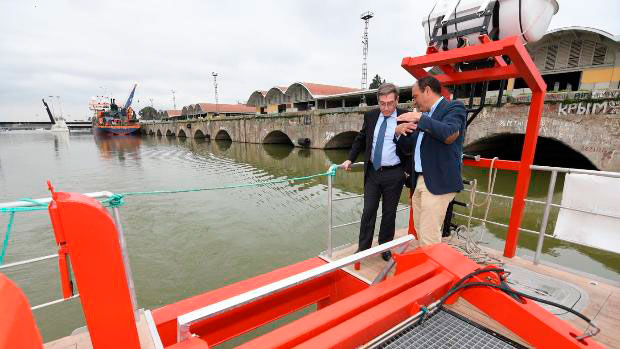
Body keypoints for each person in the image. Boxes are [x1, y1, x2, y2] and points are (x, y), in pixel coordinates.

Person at [341, 83, 416, 261]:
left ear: (397, 100)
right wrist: (350, 158)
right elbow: (361, 138)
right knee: (368, 211)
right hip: (373, 172)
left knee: (389, 213)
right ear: (378, 102)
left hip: (394, 173)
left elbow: (411, 146)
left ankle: (385, 246)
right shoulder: (371, 116)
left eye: (390, 103)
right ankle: (363, 248)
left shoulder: (405, 117)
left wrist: (405, 171)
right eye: (382, 103)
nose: (386, 107)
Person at [394, 76, 466, 247]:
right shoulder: (425, 116)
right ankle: (430, 265)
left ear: (427, 90)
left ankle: (432, 271)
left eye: (415, 96)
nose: (414, 101)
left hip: (437, 181)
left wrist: (420, 118)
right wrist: (399, 132)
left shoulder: (453, 107)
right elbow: (408, 148)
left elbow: (449, 134)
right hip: (419, 179)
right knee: (422, 231)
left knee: (428, 237)